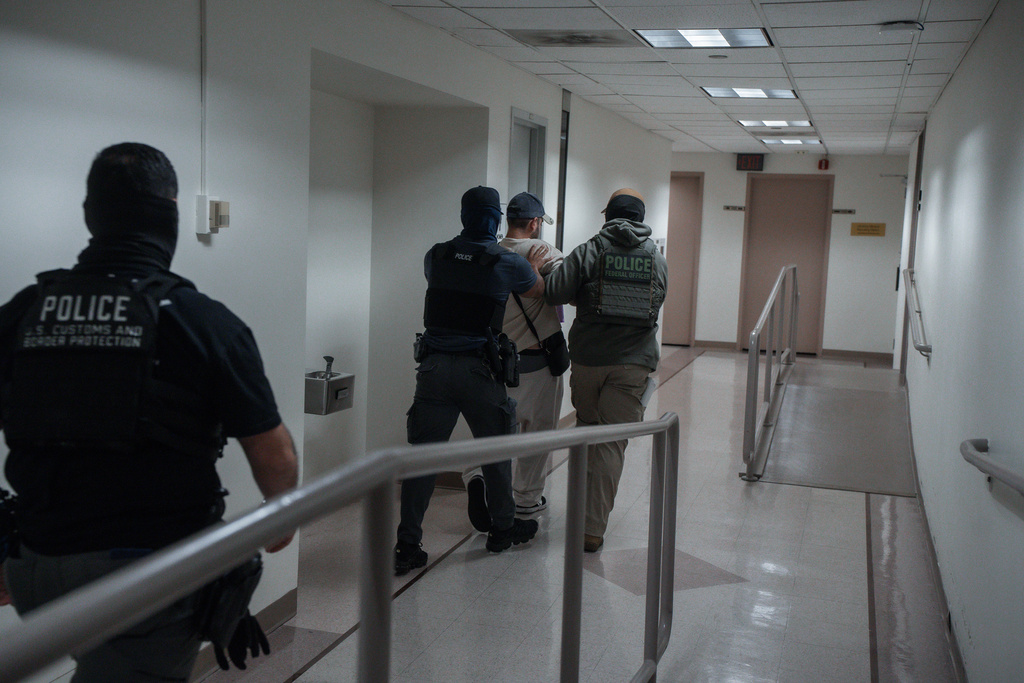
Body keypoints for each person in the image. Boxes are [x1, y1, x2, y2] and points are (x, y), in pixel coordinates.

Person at [0, 142, 298, 682]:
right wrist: (280, 517)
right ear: (171, 216)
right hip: (145, 575)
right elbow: (272, 451)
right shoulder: (199, 320)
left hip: (34, 564)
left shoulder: (24, 311)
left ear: (91, 216)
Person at [395, 186, 543, 576]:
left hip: (433, 370)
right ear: (496, 219)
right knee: (496, 453)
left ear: (463, 216)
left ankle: (407, 545)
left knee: (421, 462)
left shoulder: (436, 255)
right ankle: (503, 530)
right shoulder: (505, 261)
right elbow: (538, 290)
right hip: (480, 369)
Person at [542, 188, 668, 553]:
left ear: (607, 216)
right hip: (633, 364)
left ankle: (581, 512)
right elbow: (656, 302)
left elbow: (554, 292)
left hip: (588, 360)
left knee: (586, 432)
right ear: (641, 219)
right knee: (611, 443)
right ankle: (592, 528)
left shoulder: (589, 250)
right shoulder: (656, 259)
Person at [462, 192, 565, 526]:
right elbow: (566, 288)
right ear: (535, 223)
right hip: (536, 363)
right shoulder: (545, 253)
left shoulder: (487, 253)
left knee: (494, 432)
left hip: (492, 362)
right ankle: (525, 499)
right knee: (539, 432)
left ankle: (478, 476)